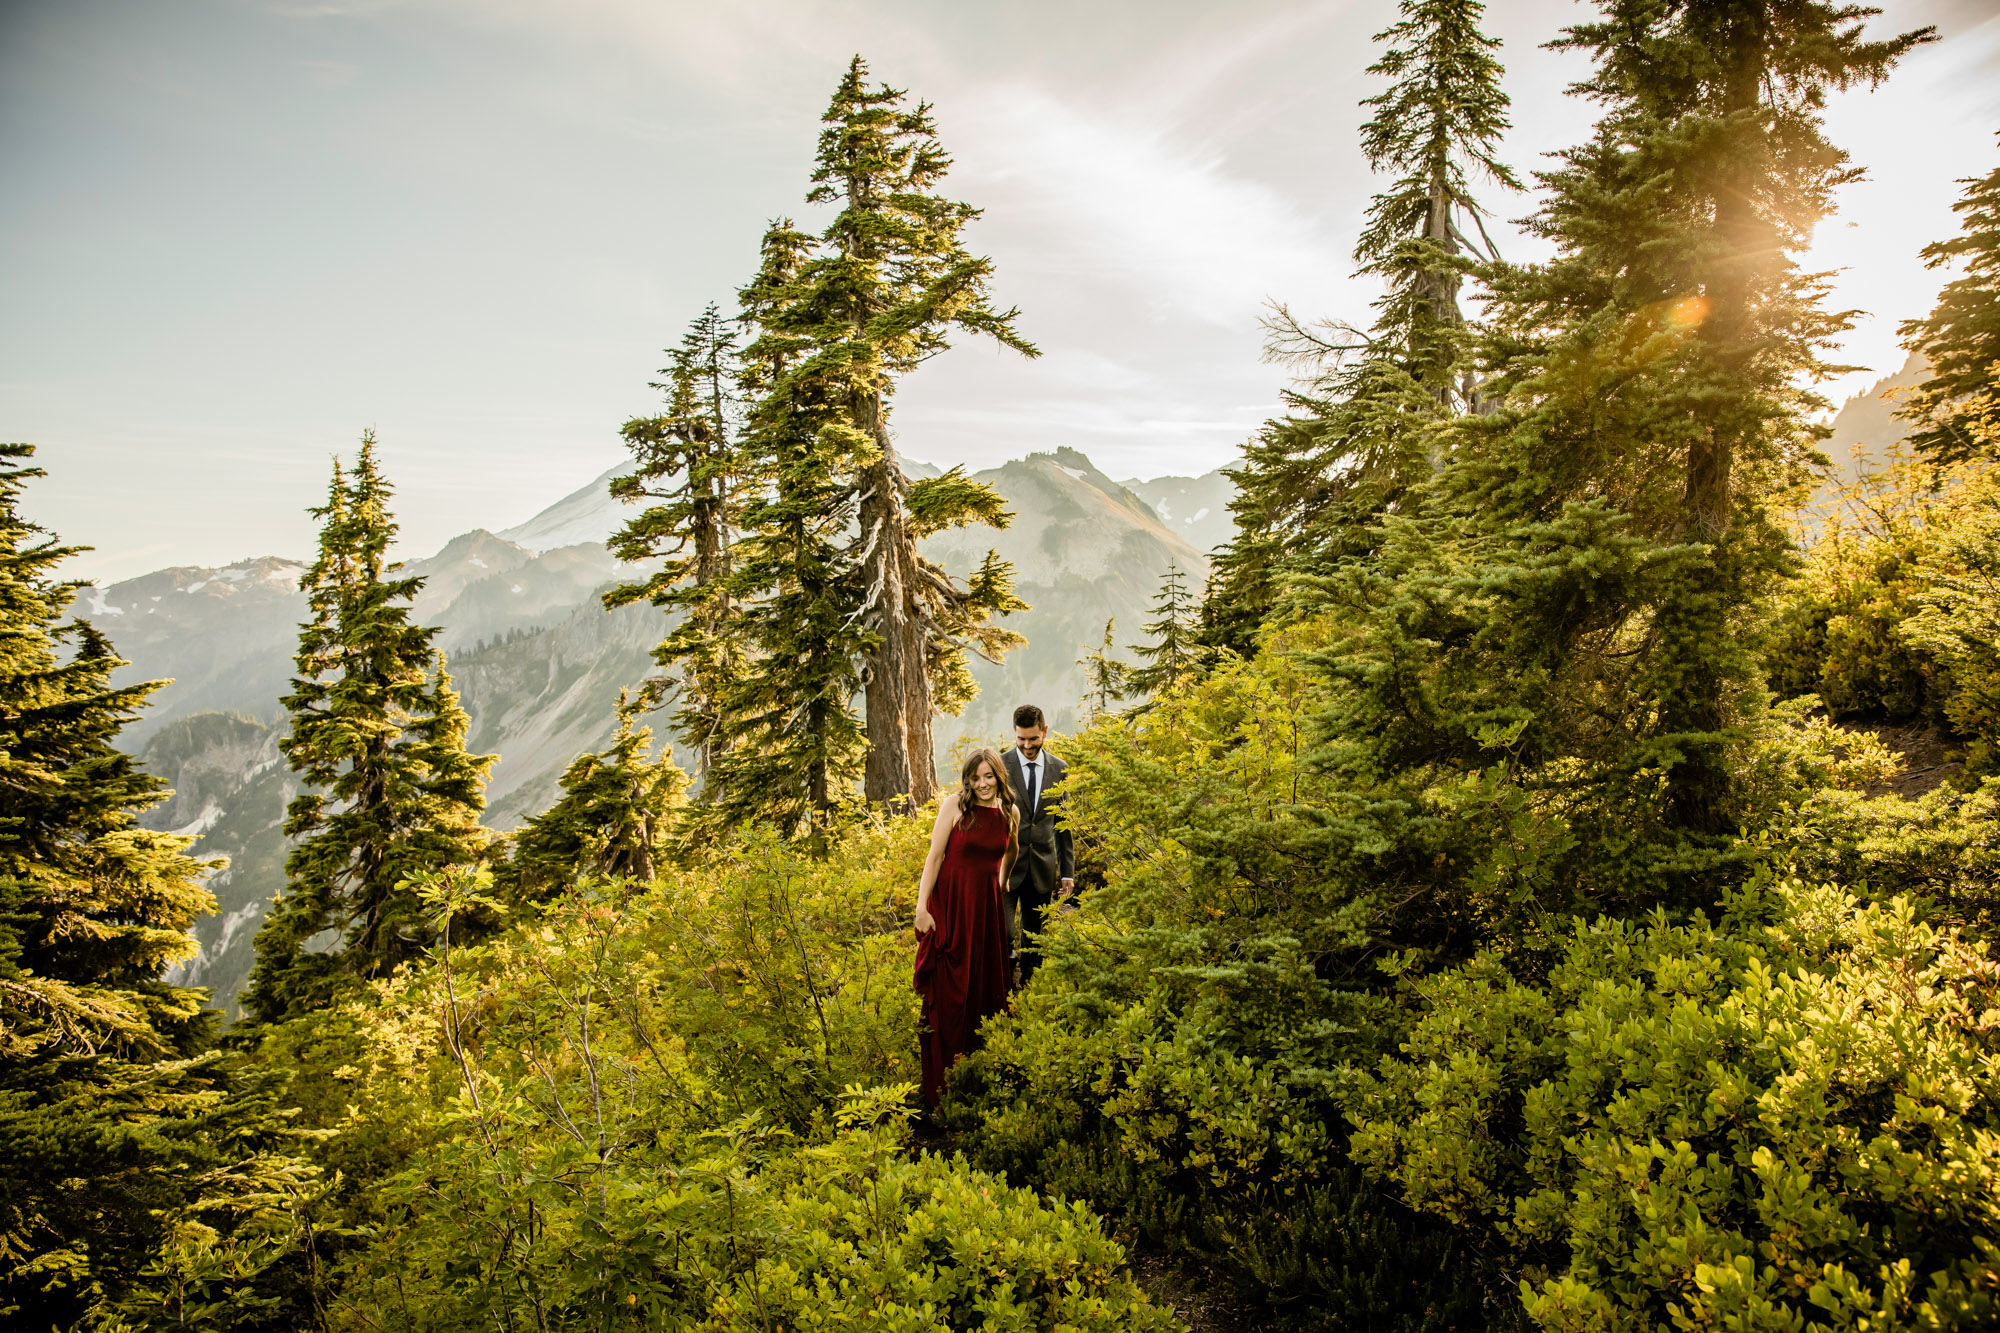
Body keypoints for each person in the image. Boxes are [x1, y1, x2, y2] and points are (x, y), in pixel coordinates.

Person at [913, 746, 1018, 1108]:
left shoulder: (1009, 811)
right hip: (952, 906)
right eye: (976, 778)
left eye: (989, 776)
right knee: (950, 991)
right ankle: (942, 1087)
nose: (983, 784)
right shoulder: (954, 806)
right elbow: (935, 857)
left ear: (999, 777)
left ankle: (981, 1078)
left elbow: (1011, 850)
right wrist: (921, 907)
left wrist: (1002, 881)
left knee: (985, 988)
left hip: (986, 913)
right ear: (968, 780)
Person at [1002, 704, 1073, 986]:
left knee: (1035, 938)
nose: (1027, 746)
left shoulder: (1060, 768)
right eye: (1021, 739)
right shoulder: (999, 765)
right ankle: (1004, 989)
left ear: (1044, 732)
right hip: (1005, 868)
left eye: (1033, 739)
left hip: (1042, 867)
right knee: (1004, 933)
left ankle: (1030, 989)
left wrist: (1067, 872)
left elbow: (1063, 824)